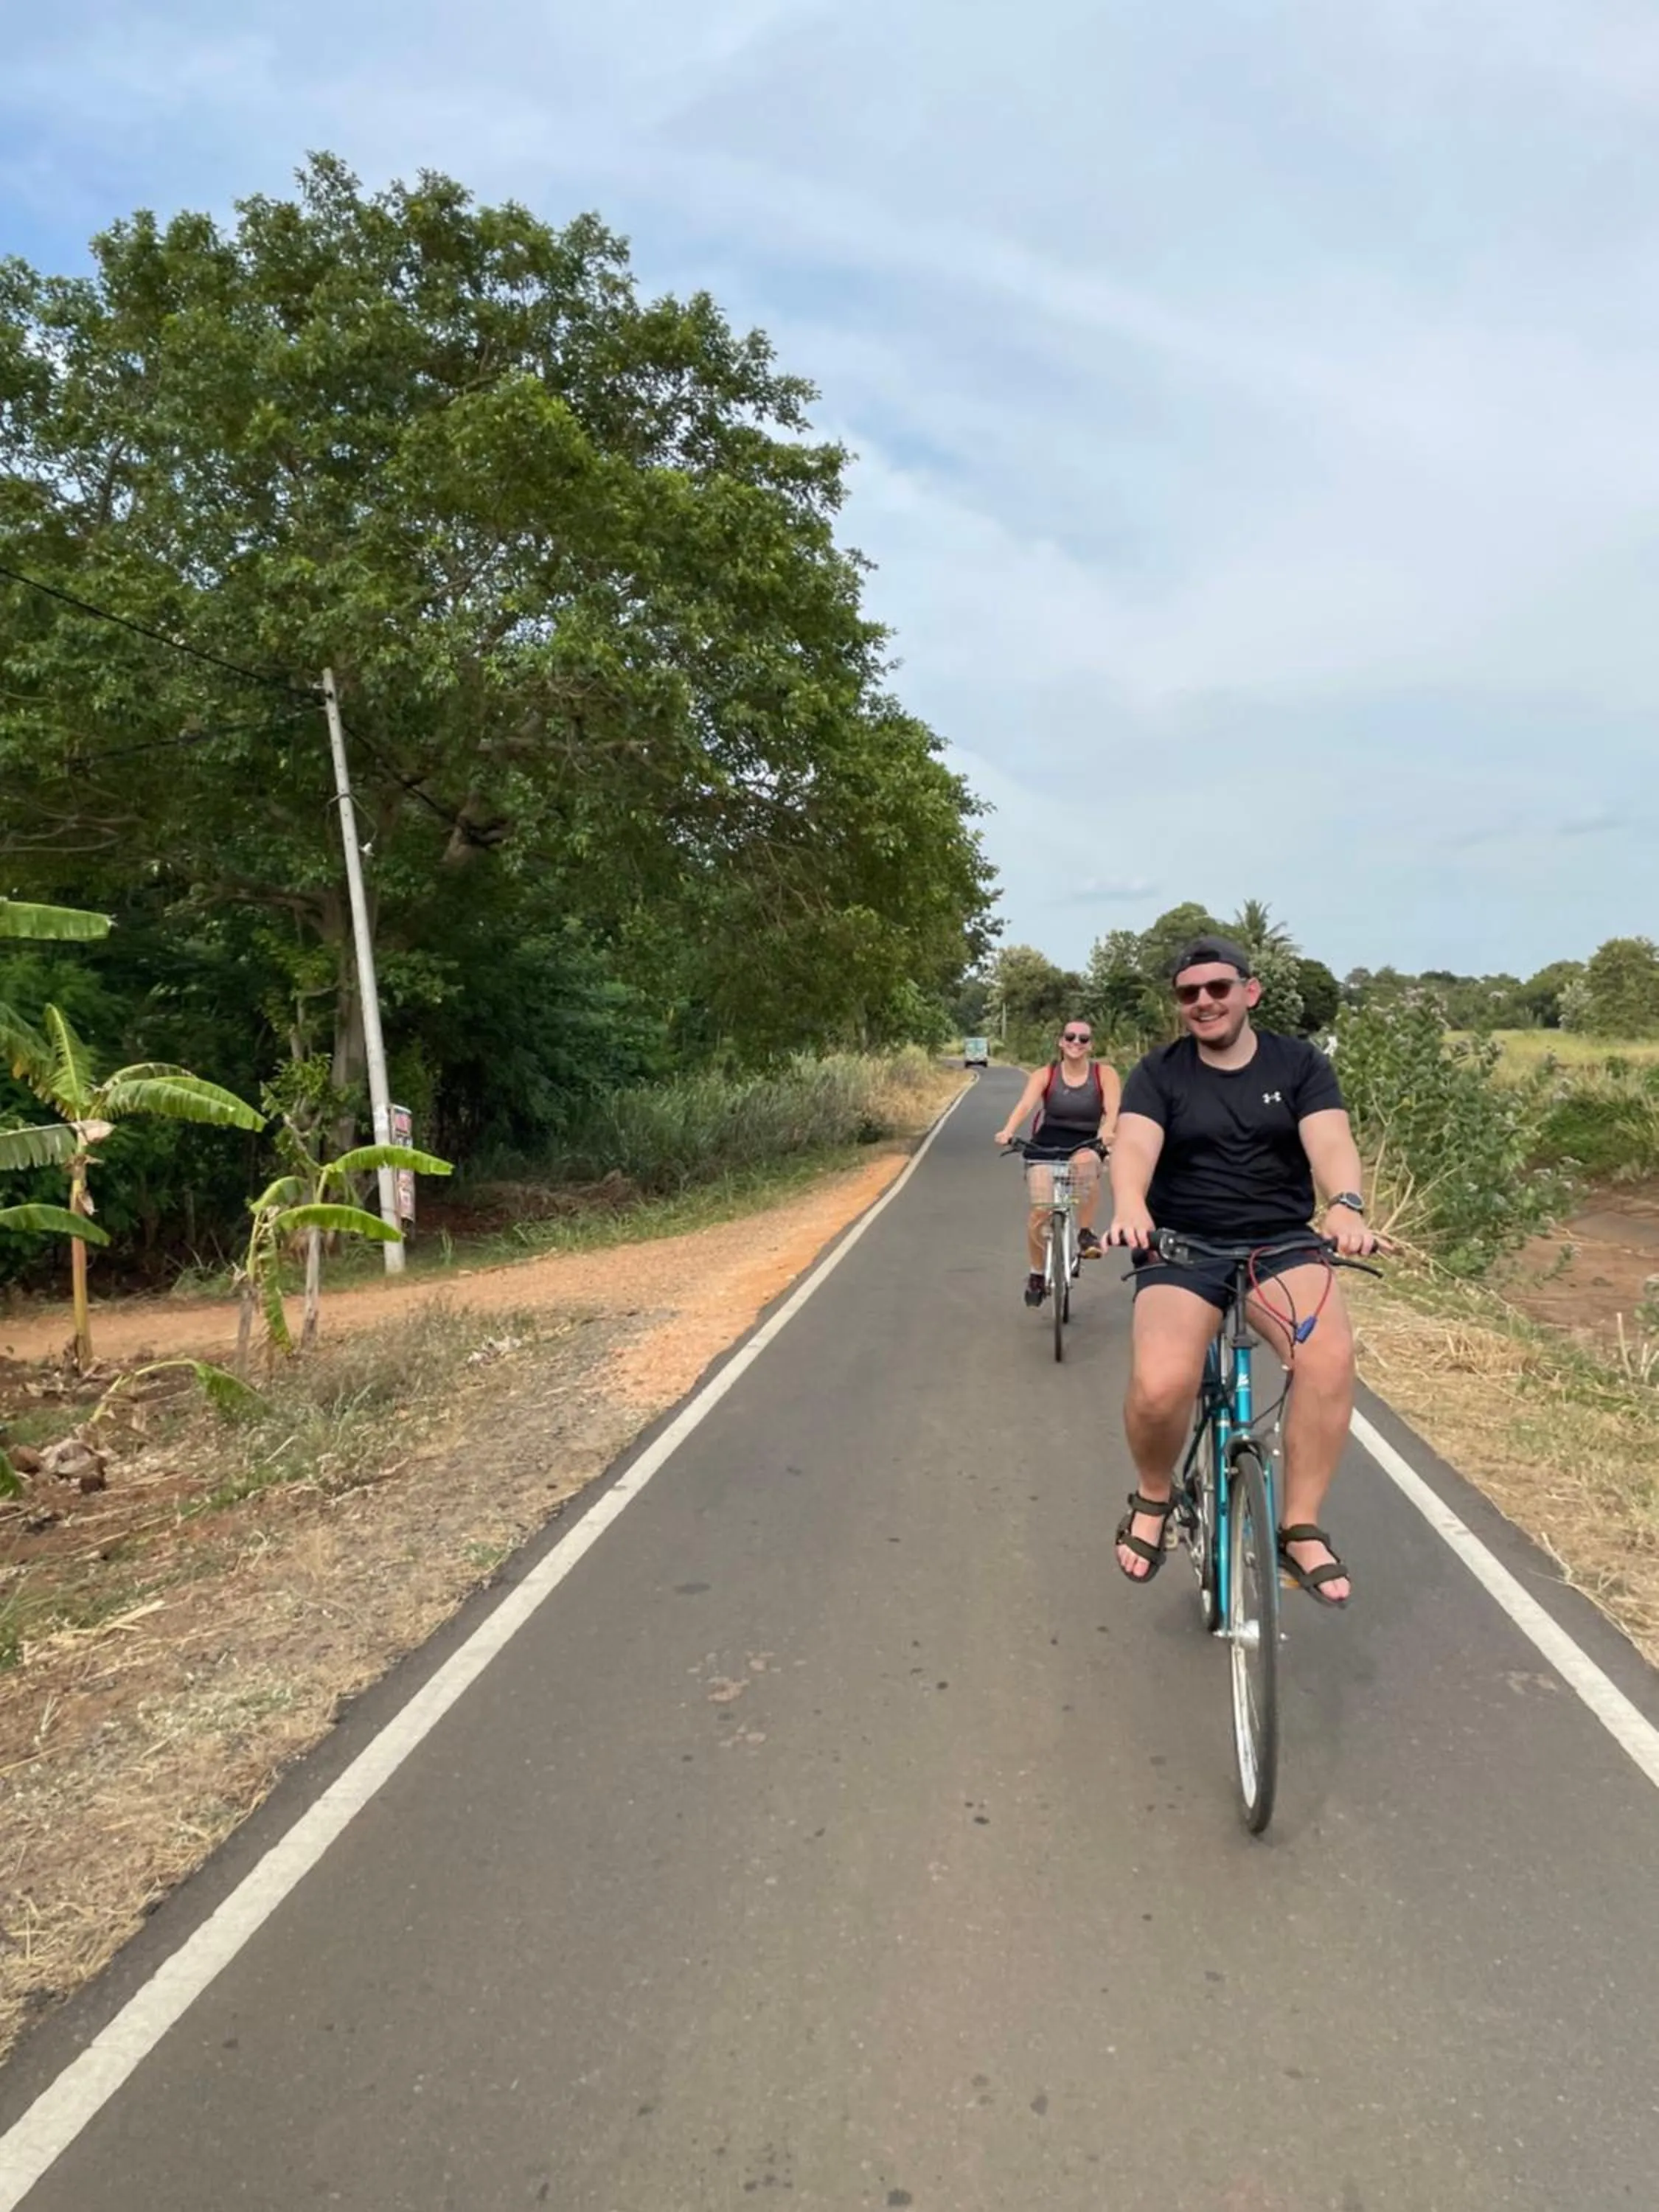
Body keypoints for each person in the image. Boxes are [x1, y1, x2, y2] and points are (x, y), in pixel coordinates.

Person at [1105, 936, 1380, 1606]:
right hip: (1182, 1245)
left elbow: (1330, 1140)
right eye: (1189, 993)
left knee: (1327, 1357)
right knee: (1161, 1384)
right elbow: (1136, 1144)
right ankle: (1154, 1495)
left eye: (1218, 988)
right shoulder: (1160, 1072)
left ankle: (1300, 1524)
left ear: (1249, 992)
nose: (1204, 1002)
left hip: (1280, 1243)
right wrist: (1132, 1206)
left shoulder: (1299, 1064)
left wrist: (1345, 1205)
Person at [995, 1020, 1121, 1306]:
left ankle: (1085, 1235)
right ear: (1061, 1042)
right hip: (1048, 1142)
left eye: (1084, 1038)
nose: (1077, 1042)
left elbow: (1113, 1109)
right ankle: (1037, 1273)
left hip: (1086, 1141)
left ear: (1091, 1045)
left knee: (1087, 1165)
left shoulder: (1105, 1074)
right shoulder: (1046, 1074)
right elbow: (1026, 1105)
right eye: (1071, 1037)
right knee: (1040, 1210)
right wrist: (1008, 1130)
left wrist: (1108, 1132)